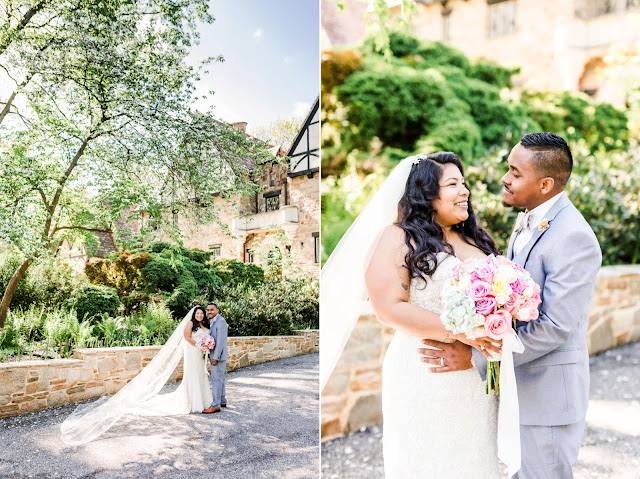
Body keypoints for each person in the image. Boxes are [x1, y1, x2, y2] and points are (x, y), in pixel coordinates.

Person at [419, 133, 602, 478]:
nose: (504, 178)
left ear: (545, 184)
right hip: (520, 391)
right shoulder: (529, 220)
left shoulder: (573, 236)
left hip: (548, 399)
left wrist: (476, 355)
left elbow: (555, 326)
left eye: (515, 173)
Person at [61, 305, 216, 445]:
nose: (200, 315)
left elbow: (206, 337)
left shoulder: (204, 325)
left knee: (201, 376)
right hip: (192, 351)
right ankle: (193, 402)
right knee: (193, 376)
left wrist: (206, 345)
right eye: (198, 313)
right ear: (194, 314)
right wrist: (199, 345)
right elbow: (187, 338)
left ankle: (203, 401)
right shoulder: (190, 324)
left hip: (199, 354)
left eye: (202, 313)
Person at [203, 303, 228, 414]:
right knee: (220, 379)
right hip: (217, 356)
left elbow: (221, 342)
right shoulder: (214, 321)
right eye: (208, 310)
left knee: (216, 380)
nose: (209, 312)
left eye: (212, 310)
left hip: (217, 356)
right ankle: (222, 400)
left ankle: (216, 405)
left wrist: (215, 357)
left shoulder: (221, 321)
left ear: (217, 310)